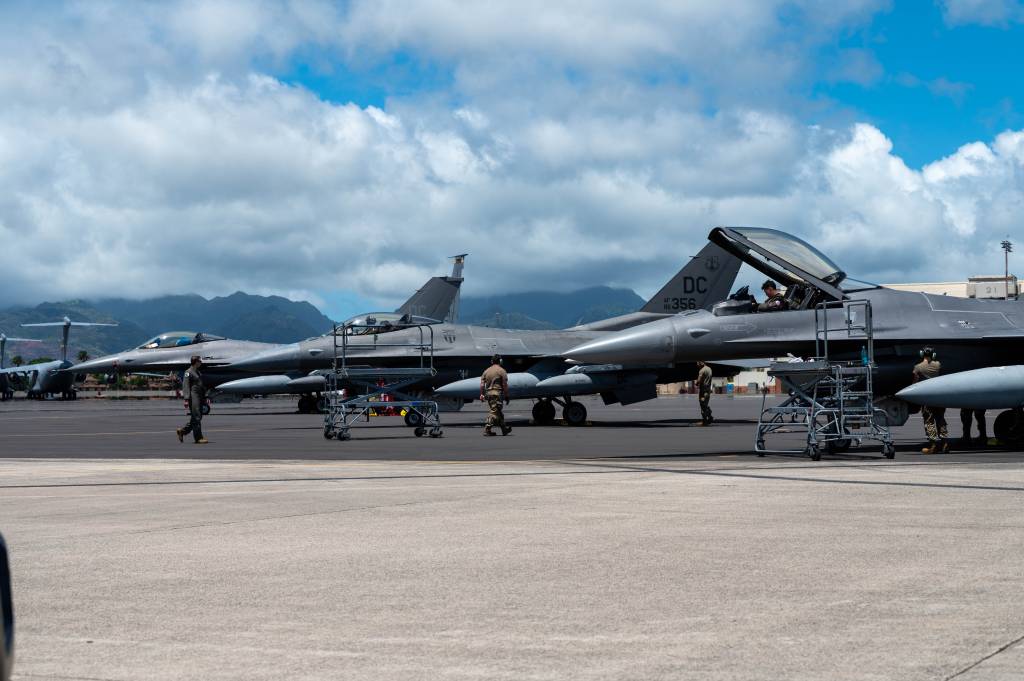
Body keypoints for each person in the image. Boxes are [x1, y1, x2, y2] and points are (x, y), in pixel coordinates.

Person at [912, 347, 947, 454]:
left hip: (927, 397)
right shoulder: (938, 364)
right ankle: (945, 443)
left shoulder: (918, 367)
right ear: (933, 354)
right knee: (941, 419)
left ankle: (934, 445)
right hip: (939, 396)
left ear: (922, 354)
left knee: (929, 421)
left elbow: (915, 381)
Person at [176, 355, 208, 444]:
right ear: (196, 362)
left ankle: (182, 431)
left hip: (200, 396)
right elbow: (185, 386)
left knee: (197, 416)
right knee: (197, 416)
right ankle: (198, 438)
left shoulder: (198, 372)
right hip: (193, 396)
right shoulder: (188, 372)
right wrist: (186, 399)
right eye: (200, 361)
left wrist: (205, 397)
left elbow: (202, 386)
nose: (201, 363)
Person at [480, 354, 512, 436]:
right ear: (500, 361)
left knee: (498, 411)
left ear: (492, 361)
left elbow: (482, 384)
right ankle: (487, 429)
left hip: (489, 394)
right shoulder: (501, 371)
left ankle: (504, 430)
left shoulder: (486, 371)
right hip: (497, 393)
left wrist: (482, 394)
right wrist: (507, 395)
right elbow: (505, 384)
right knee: (494, 412)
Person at [696, 360, 713, 426]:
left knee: (702, 404)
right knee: (705, 404)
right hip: (708, 389)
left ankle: (705, 421)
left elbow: (699, 380)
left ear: (701, 363)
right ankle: (709, 417)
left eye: (697, 363)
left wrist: (696, 383)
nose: (697, 364)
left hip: (703, 390)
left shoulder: (702, 370)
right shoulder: (709, 369)